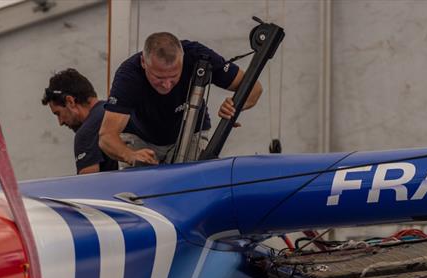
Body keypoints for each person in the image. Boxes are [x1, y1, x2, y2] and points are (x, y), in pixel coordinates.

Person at [99, 32, 263, 166]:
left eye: (174, 76)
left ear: (183, 59)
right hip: (141, 138)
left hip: (190, 132)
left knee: (193, 183)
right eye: (159, 77)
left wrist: (235, 106)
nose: (167, 85)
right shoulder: (128, 76)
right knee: (136, 191)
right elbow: (106, 136)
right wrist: (130, 155)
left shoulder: (199, 56)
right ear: (143, 62)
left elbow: (254, 88)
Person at [42, 69, 119, 174]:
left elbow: (88, 186)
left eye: (58, 113)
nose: (60, 122)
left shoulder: (86, 132)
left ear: (70, 101)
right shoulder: (118, 112)